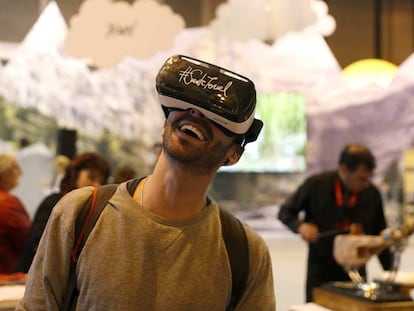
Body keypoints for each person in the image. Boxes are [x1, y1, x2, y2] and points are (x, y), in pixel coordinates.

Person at [17, 55, 275, 310]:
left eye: (216, 116)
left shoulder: (246, 253)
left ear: (233, 155)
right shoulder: (79, 213)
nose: (196, 113)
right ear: (165, 123)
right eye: (185, 106)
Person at [278, 143, 393, 302]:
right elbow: (285, 212)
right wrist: (300, 226)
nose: (366, 184)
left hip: (357, 273)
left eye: (369, 178)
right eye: (361, 178)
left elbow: (380, 236)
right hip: (321, 270)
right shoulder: (316, 185)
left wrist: (391, 276)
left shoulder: (371, 193)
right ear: (344, 170)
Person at [15, 152, 111, 273]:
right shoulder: (54, 202)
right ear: (75, 174)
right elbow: (39, 243)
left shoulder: (93, 210)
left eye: (101, 181)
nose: (97, 184)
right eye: (91, 177)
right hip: (35, 275)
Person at [0, 153, 30, 274]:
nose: (20, 173)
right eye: (16, 167)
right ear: (4, 174)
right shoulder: (9, 203)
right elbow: (26, 241)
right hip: (6, 275)